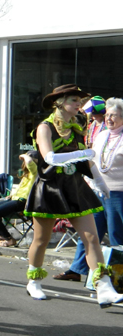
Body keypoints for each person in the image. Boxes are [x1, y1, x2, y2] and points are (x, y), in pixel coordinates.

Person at [23, 84, 123, 307]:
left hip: (74, 186)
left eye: (79, 100)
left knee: (92, 238)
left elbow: (86, 161)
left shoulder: (78, 125)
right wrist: (81, 153)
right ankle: (33, 282)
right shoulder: (45, 127)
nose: (79, 104)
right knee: (41, 240)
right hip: (50, 186)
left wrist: (99, 181)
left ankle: (103, 286)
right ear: (59, 103)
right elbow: (49, 157)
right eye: (74, 100)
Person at [55, 98, 123, 282]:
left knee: (117, 234)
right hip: (96, 189)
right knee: (89, 233)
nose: (108, 119)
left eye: (113, 116)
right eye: (107, 115)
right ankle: (77, 269)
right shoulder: (102, 135)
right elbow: (92, 158)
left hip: (118, 193)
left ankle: (118, 276)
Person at [0, 152, 38, 247]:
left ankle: (9, 238)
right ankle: (0, 235)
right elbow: (21, 188)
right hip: (15, 199)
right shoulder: (27, 174)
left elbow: (29, 162)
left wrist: (25, 156)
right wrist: (11, 195)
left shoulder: (35, 172)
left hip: (23, 202)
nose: (25, 162)